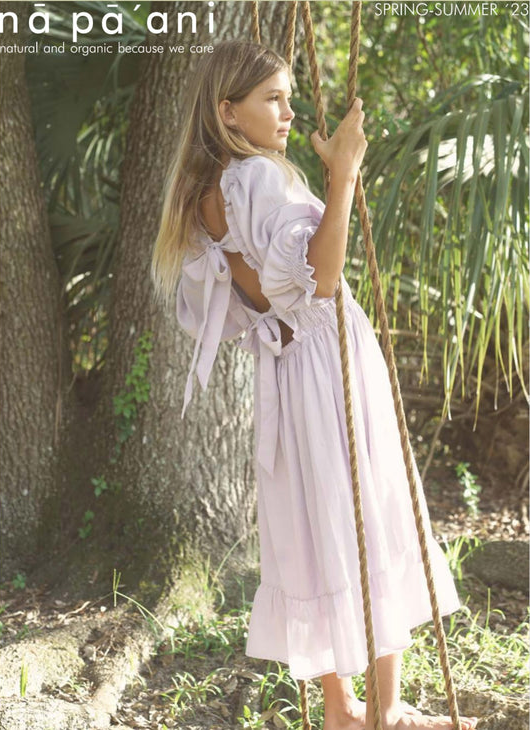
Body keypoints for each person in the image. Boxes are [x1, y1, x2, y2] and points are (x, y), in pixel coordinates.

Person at [151, 41, 478, 730]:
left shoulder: (204, 196)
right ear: (227, 111)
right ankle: (386, 708)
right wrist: (344, 175)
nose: (289, 111)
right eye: (272, 98)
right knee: (367, 511)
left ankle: (341, 706)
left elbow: (258, 298)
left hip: (287, 370)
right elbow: (320, 279)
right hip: (328, 360)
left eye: (289, 96)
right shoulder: (258, 178)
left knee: (315, 523)